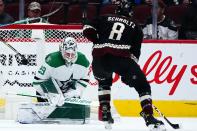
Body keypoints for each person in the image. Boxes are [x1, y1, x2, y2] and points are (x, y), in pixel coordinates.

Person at [82, 0, 165, 130]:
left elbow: (87, 29)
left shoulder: (104, 17)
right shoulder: (135, 26)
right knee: (143, 85)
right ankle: (149, 116)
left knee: (104, 80)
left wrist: (98, 41)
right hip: (121, 59)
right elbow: (134, 55)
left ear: (116, 11)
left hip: (99, 59)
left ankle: (105, 111)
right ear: (130, 13)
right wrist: (128, 75)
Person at [17, 37, 91, 124]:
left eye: (73, 54)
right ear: (61, 50)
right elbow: (37, 82)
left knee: (69, 122)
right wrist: (53, 94)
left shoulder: (83, 61)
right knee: (47, 123)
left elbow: (84, 80)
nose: (70, 57)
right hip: (48, 94)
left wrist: (76, 91)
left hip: (68, 93)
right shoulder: (52, 60)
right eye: (67, 54)